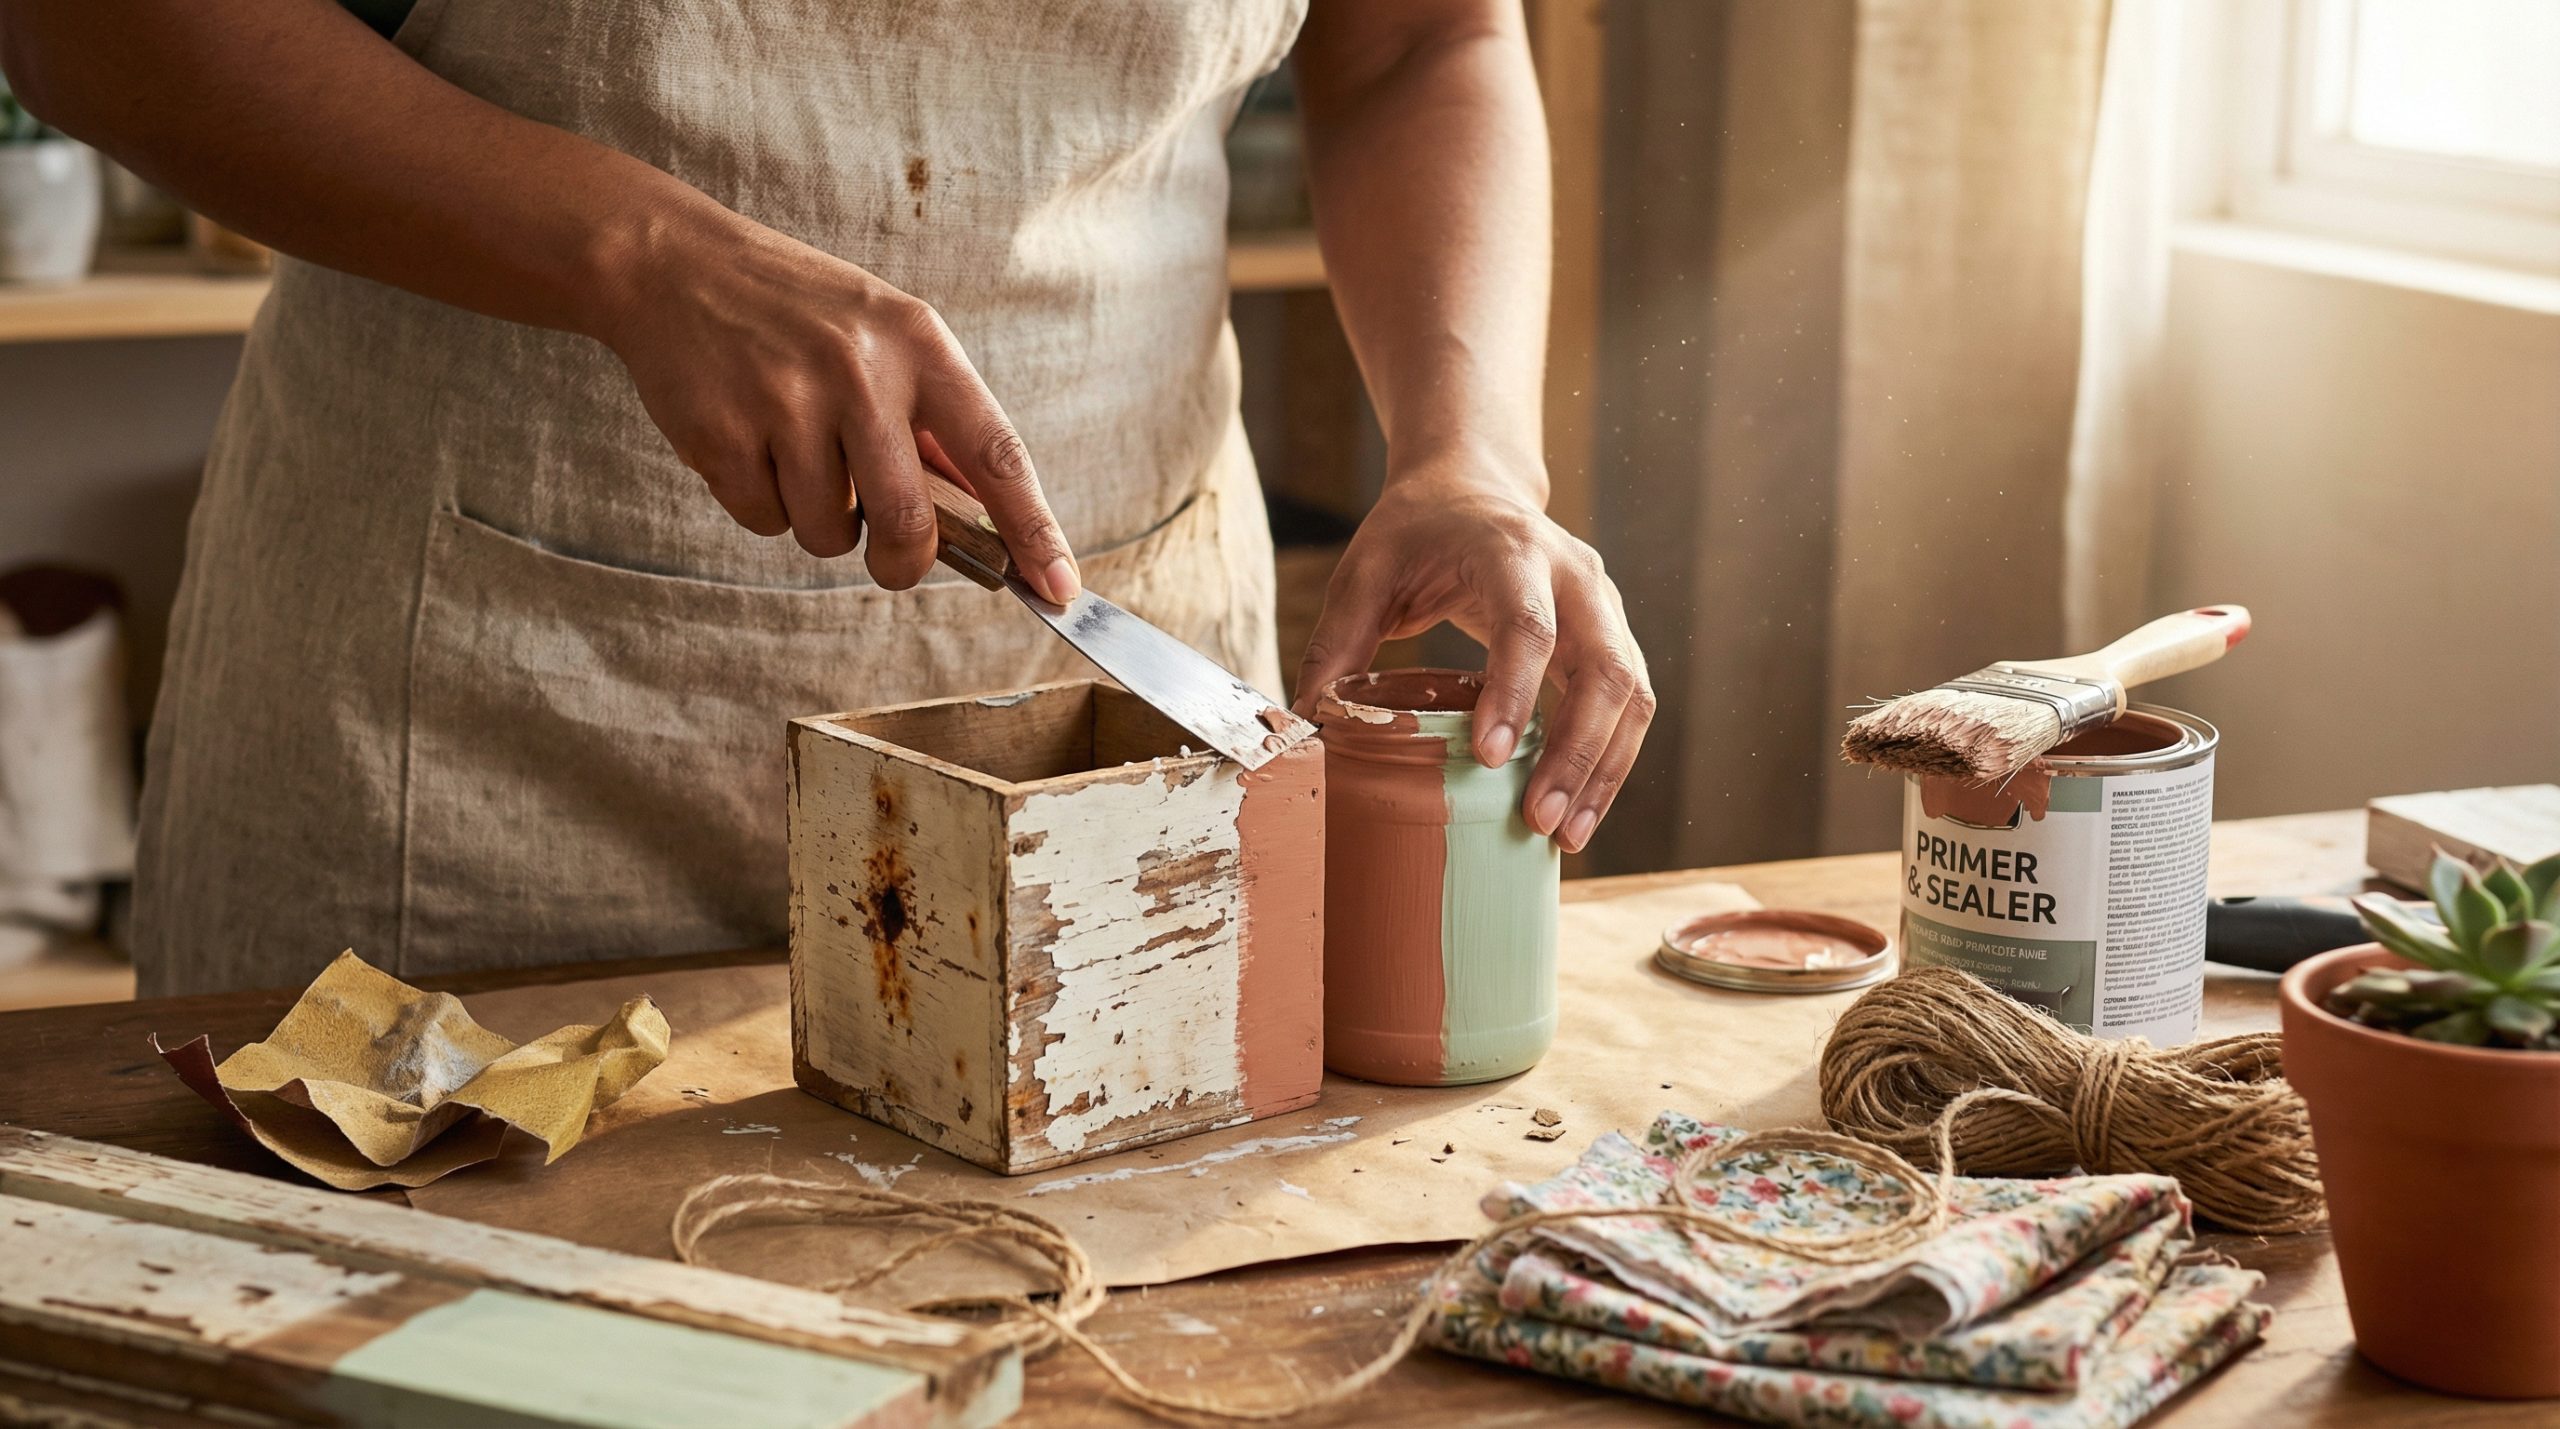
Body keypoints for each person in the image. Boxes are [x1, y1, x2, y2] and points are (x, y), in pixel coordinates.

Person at [1, 0, 1654, 996]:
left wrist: (1471, 451)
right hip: (483, 726)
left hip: (1107, 700)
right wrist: (634, 250)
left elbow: (1425, 39)